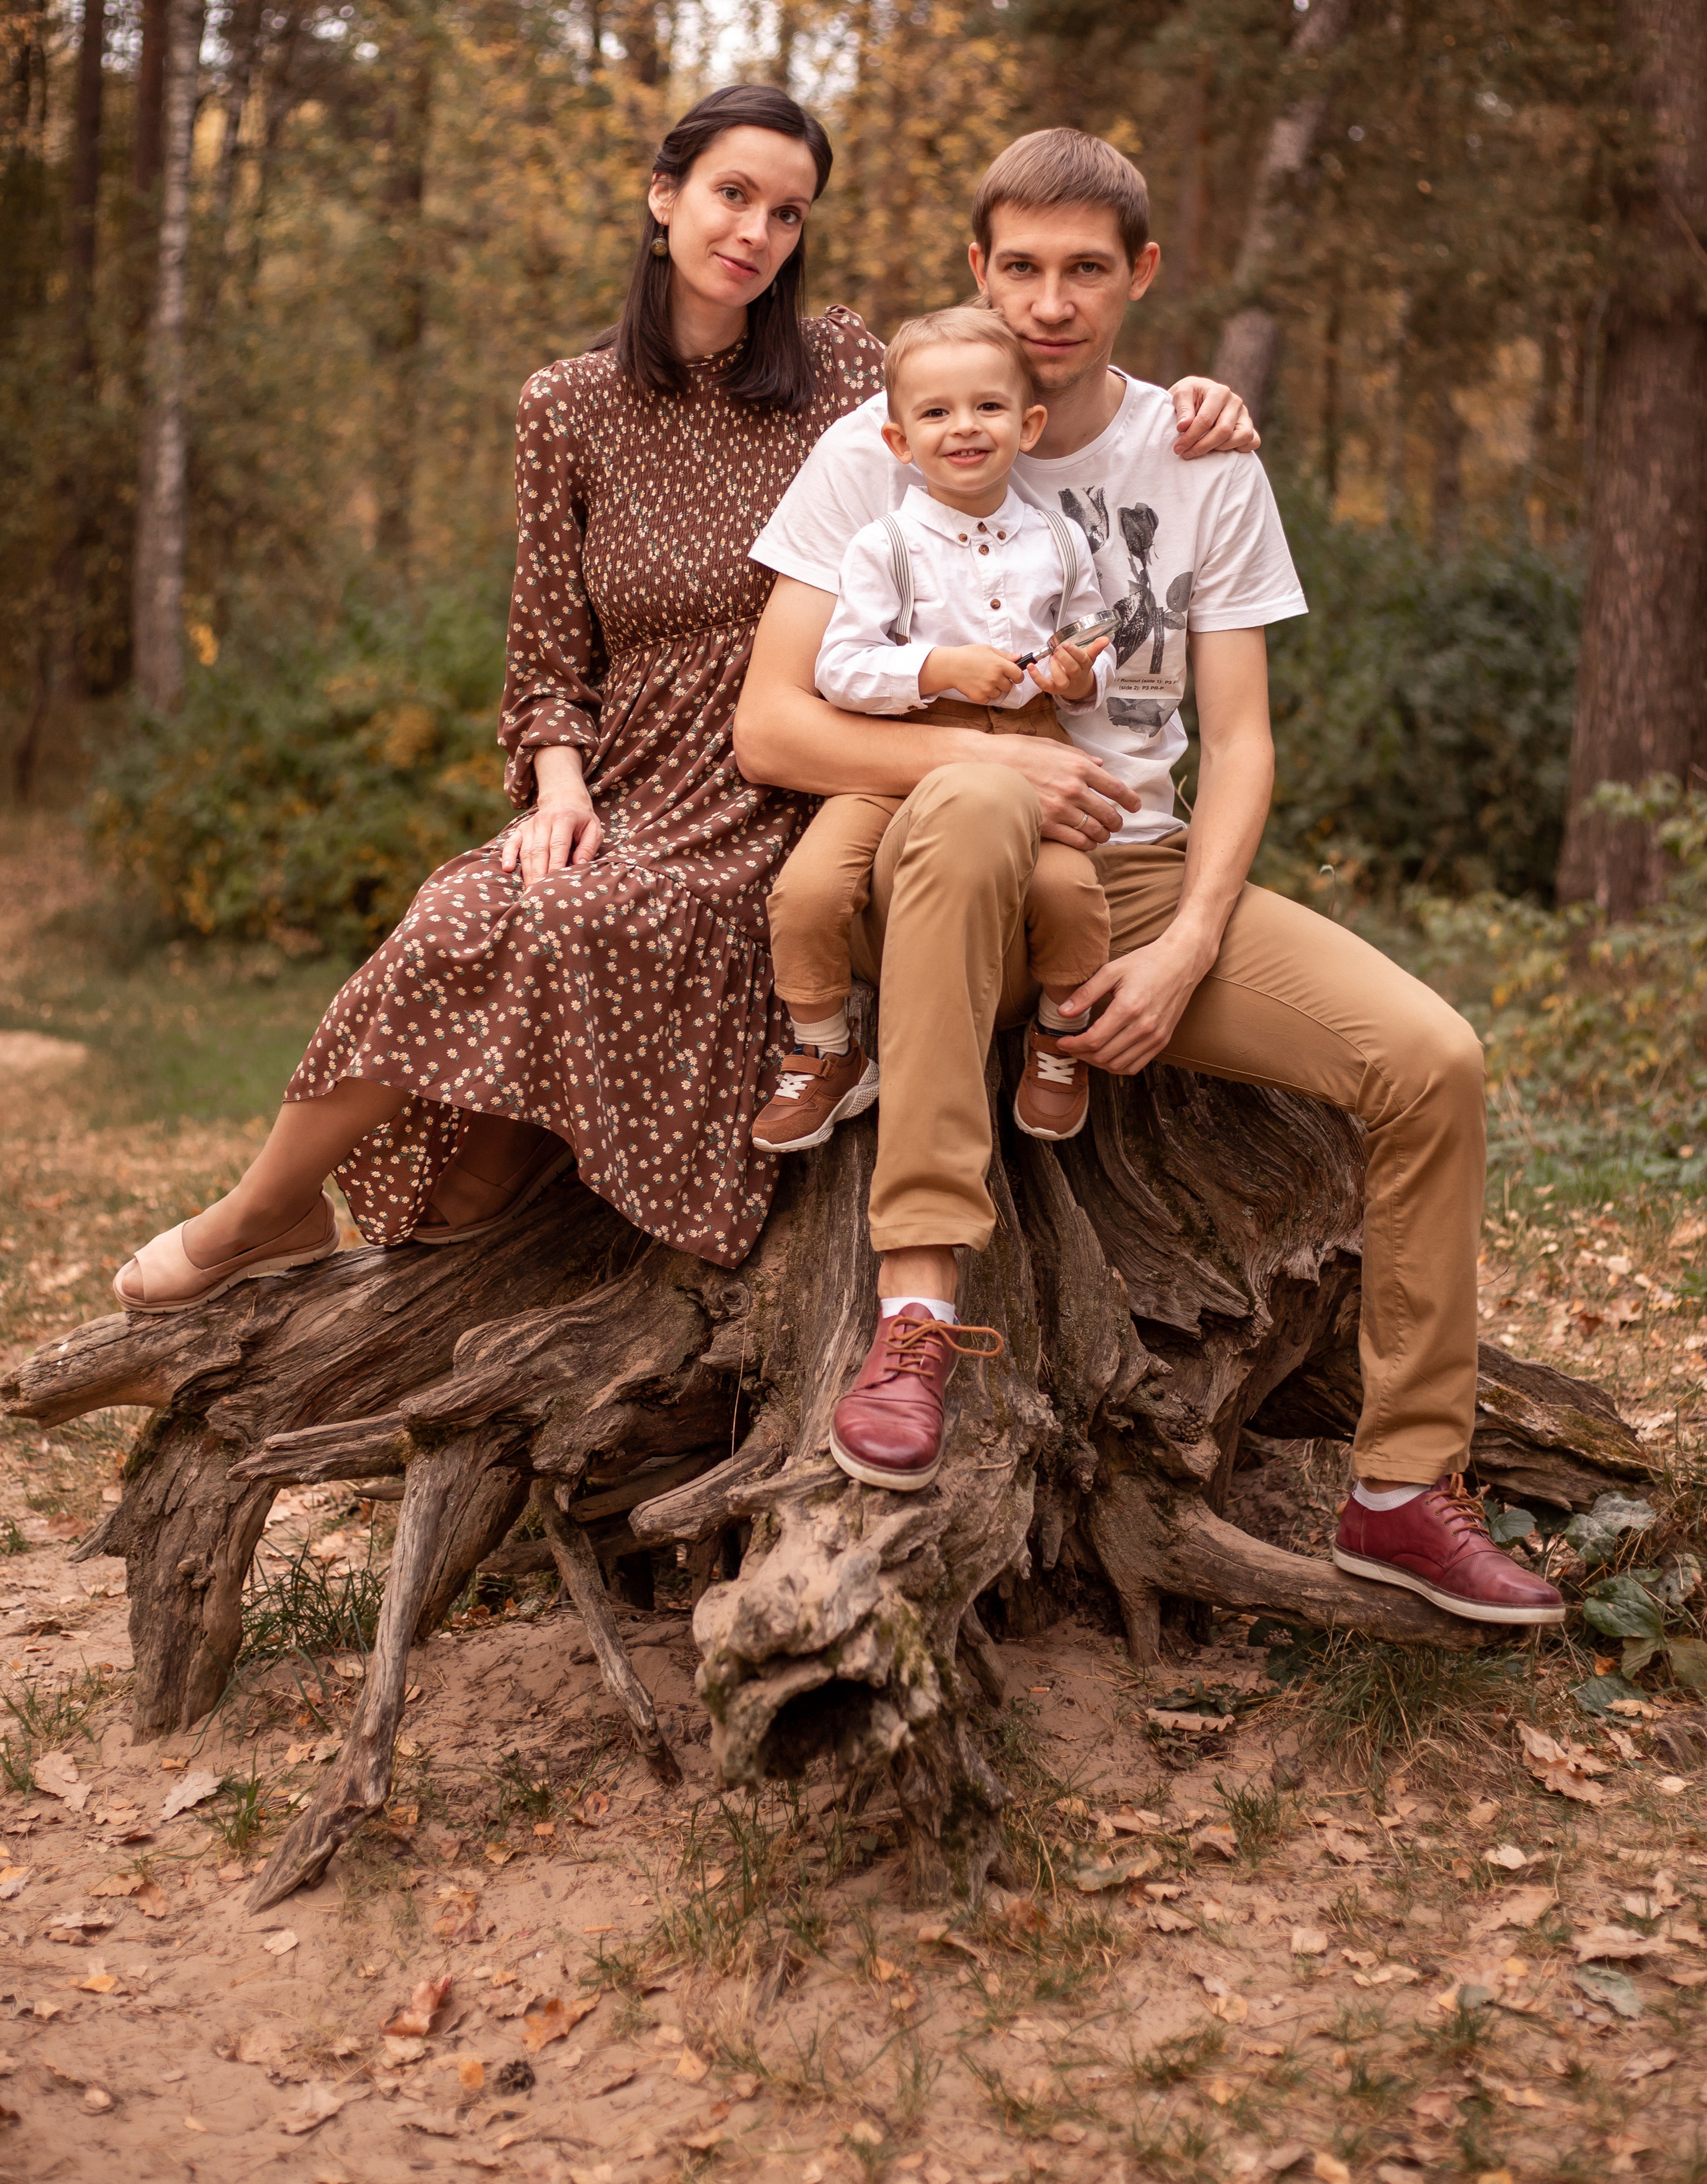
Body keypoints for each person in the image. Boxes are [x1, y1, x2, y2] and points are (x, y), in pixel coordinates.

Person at [113, 89, 1254, 1314]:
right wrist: (559, 783)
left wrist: (1188, 398)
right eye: (732, 195)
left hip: (810, 766)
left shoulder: (847, 373)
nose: (757, 232)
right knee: (473, 914)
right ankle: (266, 1208)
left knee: (579, 959)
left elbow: (1002, 386)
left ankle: (403, 1234)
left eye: (787, 212)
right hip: (635, 771)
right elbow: (548, 641)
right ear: (664, 198)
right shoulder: (568, 403)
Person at [737, 127, 1564, 1626]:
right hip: (931, 863)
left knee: (1430, 1059)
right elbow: (773, 722)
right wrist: (985, 763)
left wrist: (1185, 945)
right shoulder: (880, 443)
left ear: (1138, 277)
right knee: (978, 813)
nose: (1050, 303)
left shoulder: (1199, 456)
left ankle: (1399, 1492)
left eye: (1085, 272)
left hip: (1129, 877)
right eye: (1022, 269)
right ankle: (916, 1312)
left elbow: (1238, 746)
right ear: (977, 271)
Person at [753, 305, 1116, 1161]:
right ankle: (825, 1051)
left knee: (1068, 892)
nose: (964, 428)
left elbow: (1095, 634)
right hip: (894, 758)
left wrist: (1077, 673)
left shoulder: (1059, 542)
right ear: (898, 440)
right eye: (936, 413)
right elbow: (838, 669)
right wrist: (936, 670)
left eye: (988, 409)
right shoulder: (884, 546)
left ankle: (1061, 1036)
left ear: (1027, 426)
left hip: (1029, 745)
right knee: (805, 891)